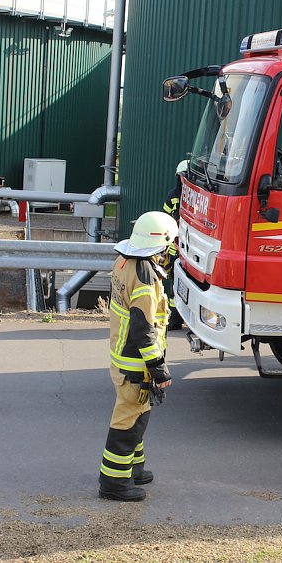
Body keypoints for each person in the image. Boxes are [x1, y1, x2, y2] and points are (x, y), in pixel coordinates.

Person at [98, 210, 178, 502]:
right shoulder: (147, 279)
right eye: (172, 244)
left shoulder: (123, 261)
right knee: (128, 421)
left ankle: (133, 468)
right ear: (162, 242)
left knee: (138, 415)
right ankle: (114, 484)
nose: (173, 250)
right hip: (136, 363)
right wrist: (159, 369)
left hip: (122, 356)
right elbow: (143, 328)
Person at [162, 160, 188, 331]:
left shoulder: (197, 197)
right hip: (175, 248)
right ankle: (175, 319)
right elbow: (165, 220)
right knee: (175, 285)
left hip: (192, 249)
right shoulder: (173, 197)